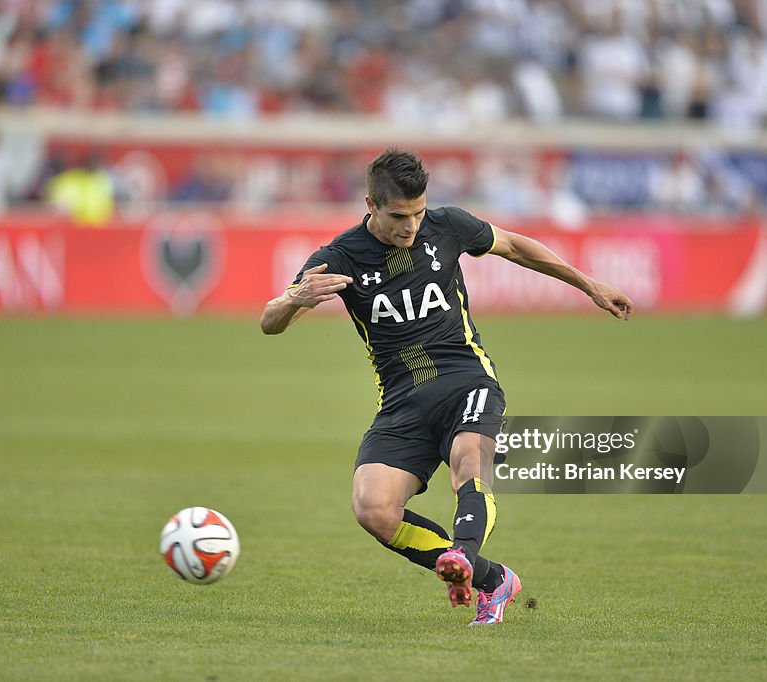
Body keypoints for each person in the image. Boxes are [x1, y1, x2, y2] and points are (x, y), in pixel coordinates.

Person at [260, 149, 633, 626]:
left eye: (418, 212)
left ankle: (461, 555)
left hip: (467, 381)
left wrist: (590, 285)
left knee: (468, 464)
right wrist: (294, 299)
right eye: (399, 215)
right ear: (370, 203)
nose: (411, 226)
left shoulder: (448, 226)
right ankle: (491, 579)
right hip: (401, 404)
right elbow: (270, 322)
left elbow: (516, 247)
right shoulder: (339, 257)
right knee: (372, 508)